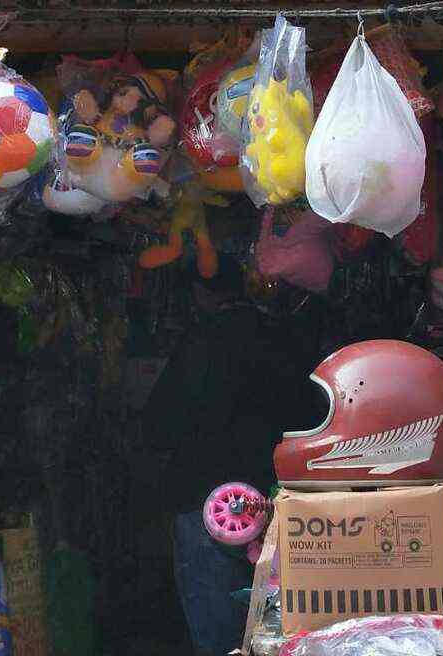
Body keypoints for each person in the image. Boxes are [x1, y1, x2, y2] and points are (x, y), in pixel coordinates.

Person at [144, 257, 320, 655]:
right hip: (276, 501)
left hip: (207, 502)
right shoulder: (284, 338)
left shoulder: (200, 341)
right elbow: (311, 417)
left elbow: (157, 426)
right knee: (282, 624)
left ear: (200, 294)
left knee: (218, 630)